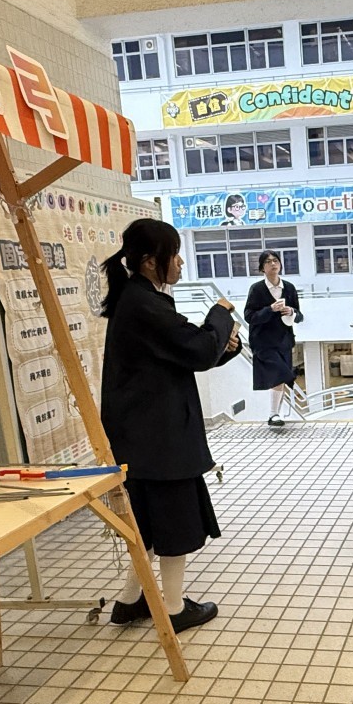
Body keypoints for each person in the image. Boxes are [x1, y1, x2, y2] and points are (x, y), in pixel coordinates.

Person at [99, 219, 240, 634]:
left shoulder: (138, 298)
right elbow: (196, 349)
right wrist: (220, 315)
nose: (179, 263)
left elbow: (183, 353)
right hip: (158, 439)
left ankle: (130, 602)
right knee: (174, 524)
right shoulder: (144, 304)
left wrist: (222, 346)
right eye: (173, 255)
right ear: (149, 261)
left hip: (143, 435)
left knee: (147, 524)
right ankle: (174, 608)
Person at [245, 250, 303, 427]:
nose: (273, 264)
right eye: (268, 261)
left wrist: (291, 311)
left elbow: (299, 316)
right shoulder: (257, 289)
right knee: (281, 373)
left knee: (281, 376)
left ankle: (275, 414)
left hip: (284, 341)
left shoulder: (289, 288)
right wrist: (270, 309)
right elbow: (249, 316)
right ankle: (274, 413)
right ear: (262, 267)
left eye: (275, 260)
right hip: (263, 342)